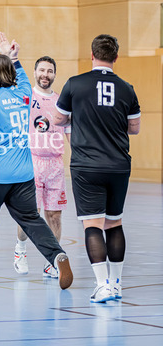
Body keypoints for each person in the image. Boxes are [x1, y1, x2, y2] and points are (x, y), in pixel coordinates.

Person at [0, 33, 73, 289]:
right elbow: (22, 78)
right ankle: (56, 256)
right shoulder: (24, 94)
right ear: (12, 74)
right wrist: (14, 57)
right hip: (24, 173)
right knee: (32, 219)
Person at [54, 34, 140, 303]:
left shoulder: (75, 84)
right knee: (114, 222)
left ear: (92, 55)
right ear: (116, 57)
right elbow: (134, 127)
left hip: (86, 165)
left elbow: (58, 118)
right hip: (118, 165)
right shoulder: (127, 88)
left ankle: (102, 285)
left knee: (92, 224)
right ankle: (117, 284)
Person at [14, 56, 70, 278]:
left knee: (54, 215)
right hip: (32, 162)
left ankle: (52, 262)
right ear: (35, 72)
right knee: (30, 213)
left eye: (50, 71)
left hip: (55, 164)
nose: (45, 74)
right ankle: (20, 250)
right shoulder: (26, 97)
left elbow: (69, 132)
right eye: (42, 70)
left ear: (54, 74)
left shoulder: (61, 102)